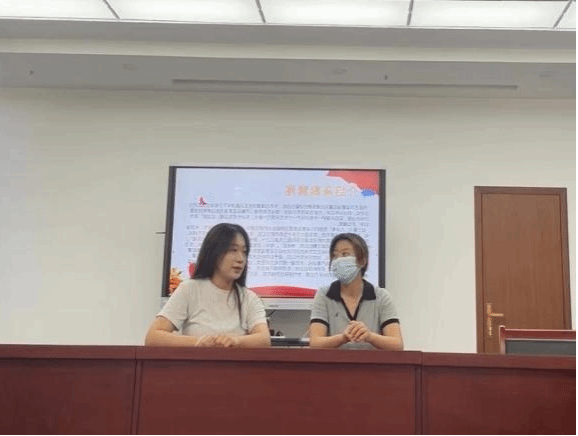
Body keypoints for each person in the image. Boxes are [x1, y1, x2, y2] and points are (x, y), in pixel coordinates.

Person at [145, 223, 270, 348]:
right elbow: (153, 337)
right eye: (233, 250)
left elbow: (264, 339)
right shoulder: (190, 289)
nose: (240, 259)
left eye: (244, 252)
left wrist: (236, 341)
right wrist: (197, 342)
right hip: (196, 361)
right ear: (214, 253)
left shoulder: (249, 298)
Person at [309, 233, 403, 350]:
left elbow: (397, 344)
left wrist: (370, 336)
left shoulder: (381, 296)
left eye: (345, 254)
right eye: (335, 256)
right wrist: (343, 338)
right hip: (335, 362)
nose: (338, 260)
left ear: (362, 260)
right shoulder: (324, 295)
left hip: (372, 362)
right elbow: (315, 343)